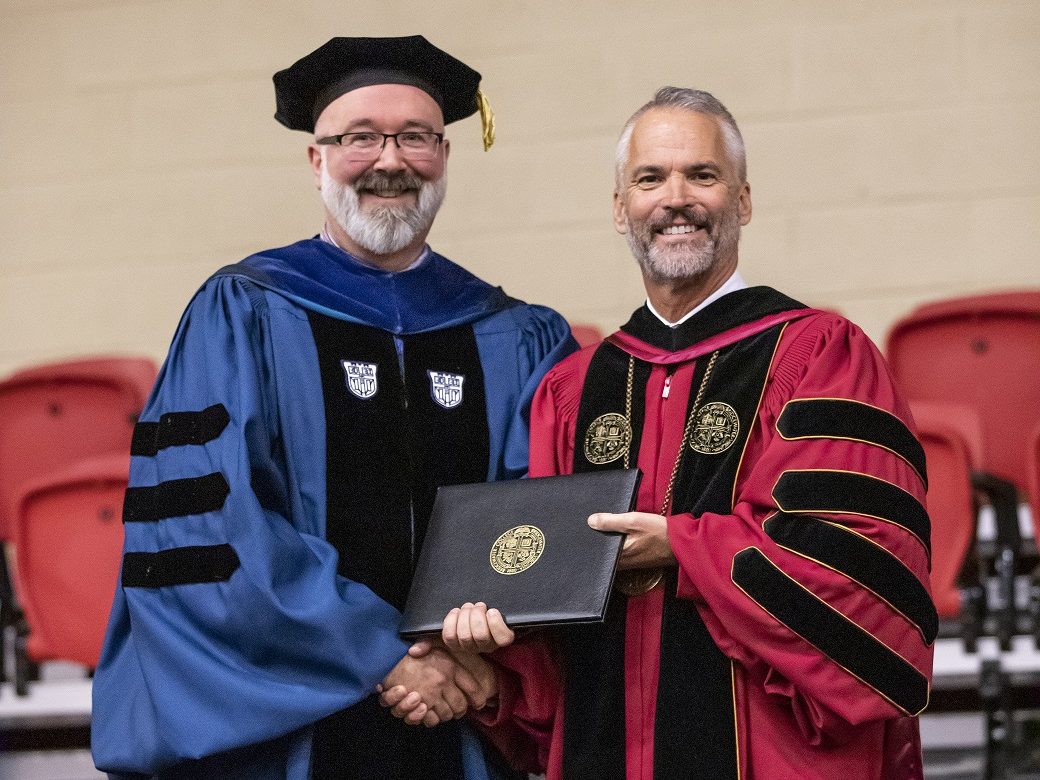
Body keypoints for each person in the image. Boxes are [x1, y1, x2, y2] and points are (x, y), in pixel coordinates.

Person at [390, 87, 936, 779]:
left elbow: (854, 575)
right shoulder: (572, 390)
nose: (675, 198)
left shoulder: (819, 355)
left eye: (701, 175)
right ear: (621, 207)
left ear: (742, 201)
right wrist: (485, 664)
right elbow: (555, 634)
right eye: (650, 178)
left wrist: (679, 545)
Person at [90, 35, 576, 780]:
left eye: (415, 137)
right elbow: (214, 525)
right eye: (360, 138)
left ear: (444, 155)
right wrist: (380, 654)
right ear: (316, 162)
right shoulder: (244, 313)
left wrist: (475, 661)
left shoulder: (515, 334)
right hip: (296, 725)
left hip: (463, 716)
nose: (390, 160)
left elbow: (539, 512)